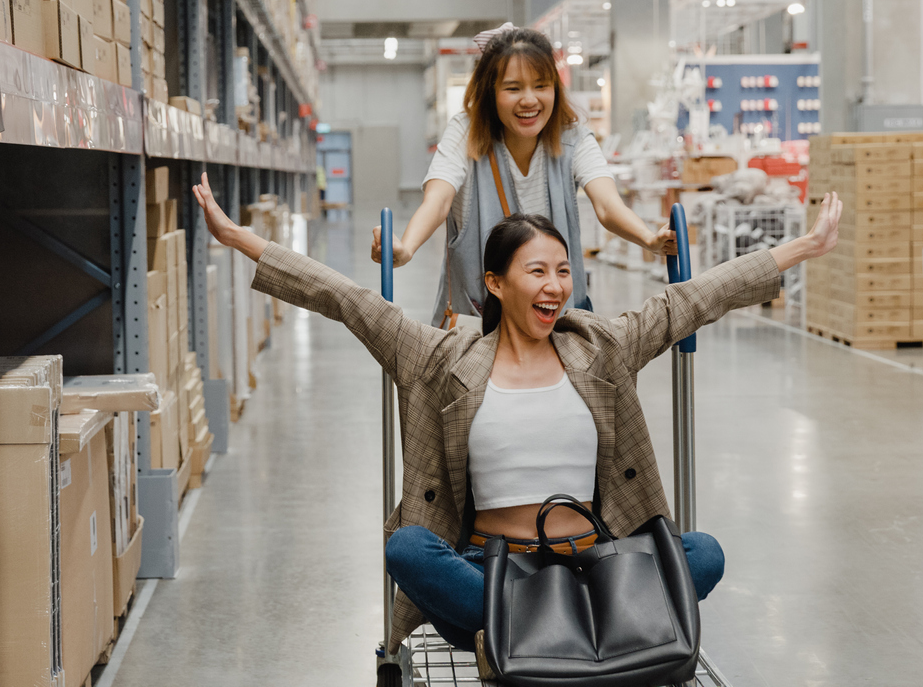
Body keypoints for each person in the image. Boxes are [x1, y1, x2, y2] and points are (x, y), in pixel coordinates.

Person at [193, 173, 843, 658]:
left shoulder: (600, 346)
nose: (556, 285)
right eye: (537, 270)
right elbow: (344, 298)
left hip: (594, 568)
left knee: (702, 553)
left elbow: (695, 299)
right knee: (407, 549)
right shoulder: (437, 355)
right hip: (489, 574)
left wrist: (801, 248)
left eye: (563, 270)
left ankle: (533, 642)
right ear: (496, 283)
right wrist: (238, 238)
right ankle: (560, 638)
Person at [370, 24, 676, 324]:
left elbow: (608, 206)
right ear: (490, 92)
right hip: (479, 322)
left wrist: (649, 239)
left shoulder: (574, 138)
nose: (529, 100)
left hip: (557, 320)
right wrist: (406, 248)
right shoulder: (464, 133)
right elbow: (438, 201)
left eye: (541, 85)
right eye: (513, 88)